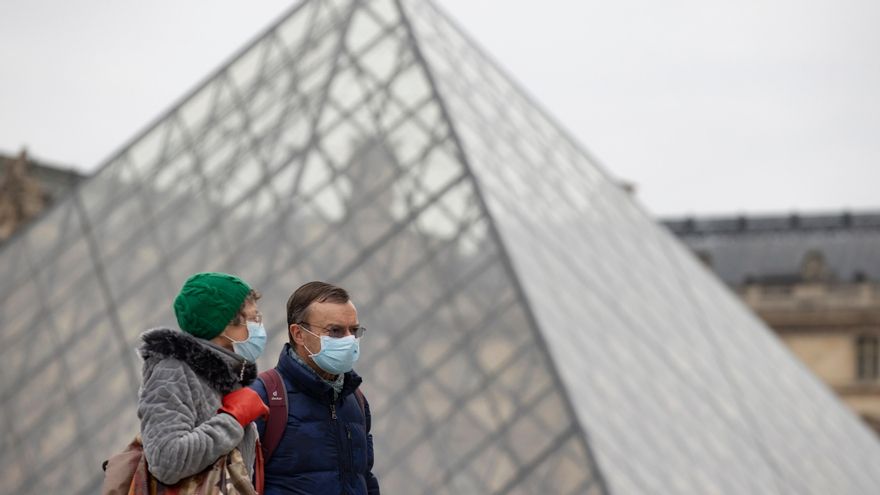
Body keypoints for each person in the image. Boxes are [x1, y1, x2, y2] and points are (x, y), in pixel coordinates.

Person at [138, 272, 270, 489]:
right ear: (225, 324)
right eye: (254, 318)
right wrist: (233, 419)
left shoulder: (226, 376)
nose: (259, 326)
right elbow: (166, 460)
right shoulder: (173, 373)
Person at [252, 281, 380, 494]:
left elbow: (365, 477)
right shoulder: (264, 396)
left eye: (354, 330)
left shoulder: (355, 399)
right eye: (335, 331)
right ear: (298, 334)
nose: (349, 339)